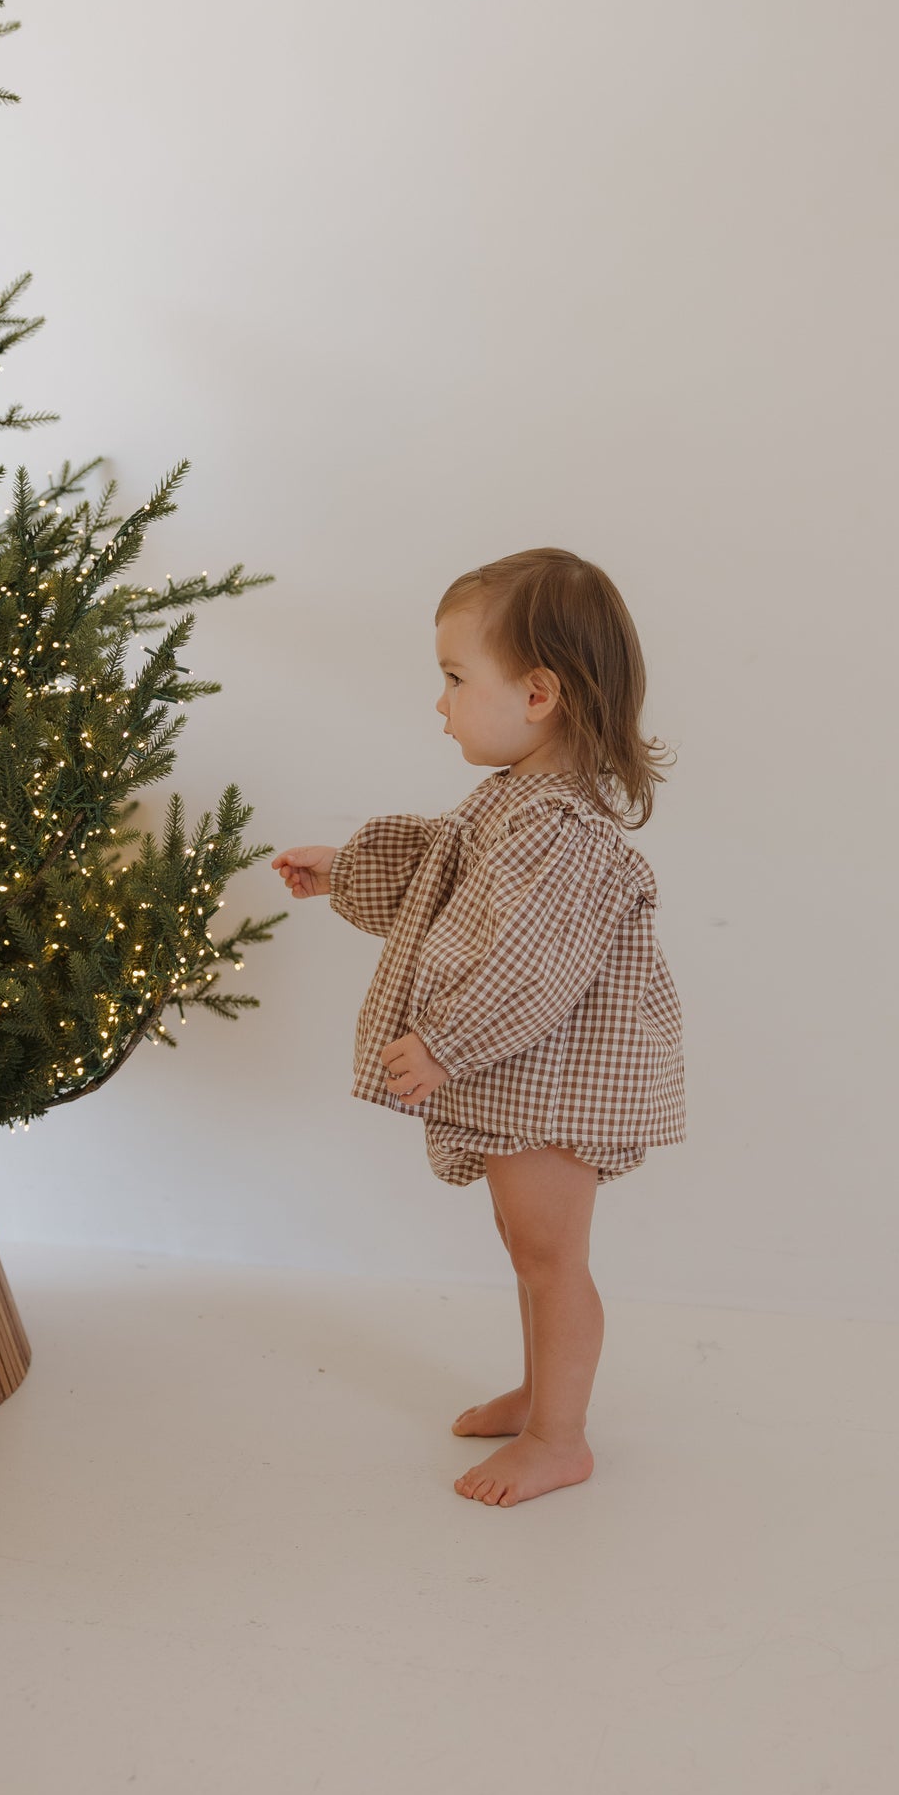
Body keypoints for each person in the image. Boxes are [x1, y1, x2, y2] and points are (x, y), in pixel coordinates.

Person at [273, 547, 685, 1508]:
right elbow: (441, 878)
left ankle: (559, 1438)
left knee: (550, 1255)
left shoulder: (560, 832)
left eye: (456, 679)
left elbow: (531, 966)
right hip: (521, 1071)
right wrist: (349, 868)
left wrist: (448, 1043)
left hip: (556, 1076)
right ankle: (543, 1391)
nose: (441, 702)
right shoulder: (512, 803)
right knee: (523, 1244)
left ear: (538, 692)